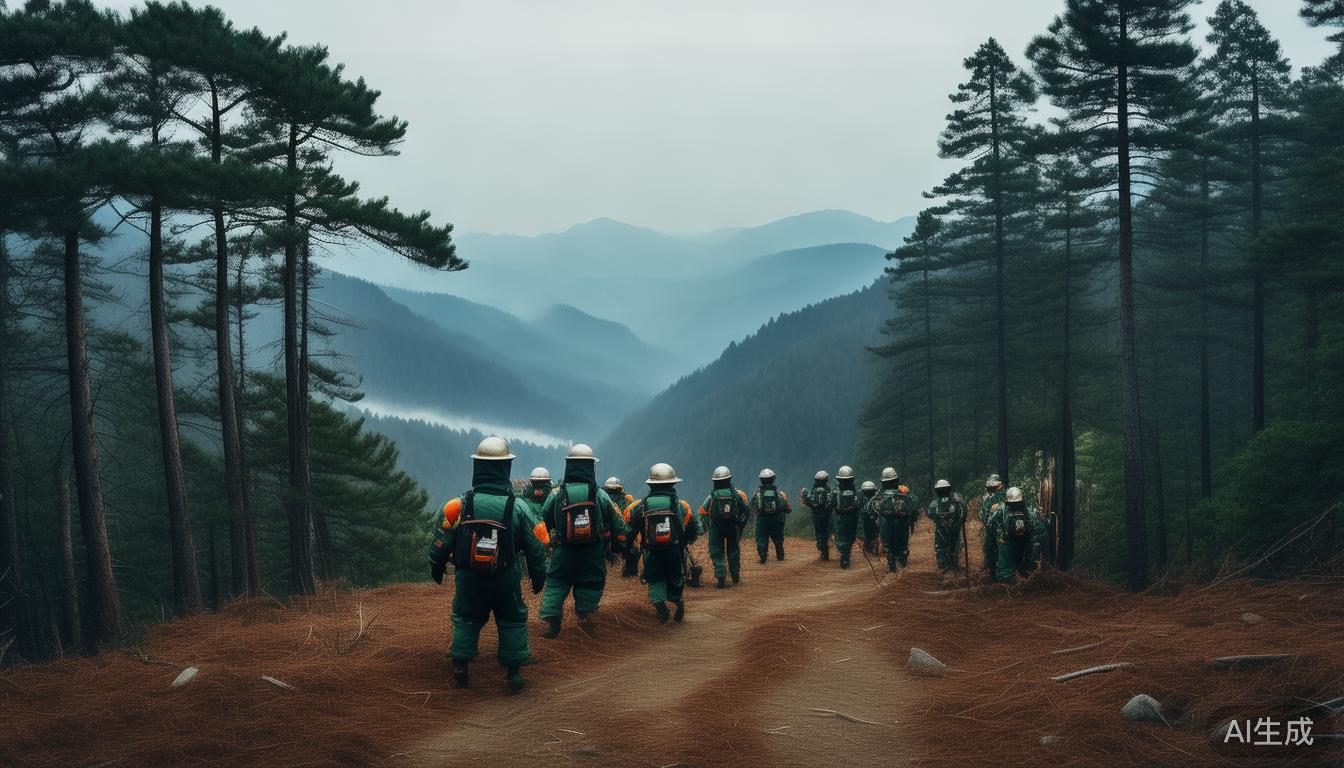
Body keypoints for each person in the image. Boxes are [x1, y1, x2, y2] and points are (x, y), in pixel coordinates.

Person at [428, 436, 549, 693]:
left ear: (478, 467)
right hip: (505, 577)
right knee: (512, 619)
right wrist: (539, 577)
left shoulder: (459, 504)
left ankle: (460, 666)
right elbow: (536, 547)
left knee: (465, 616)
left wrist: (436, 566)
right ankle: (513, 674)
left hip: (469, 577)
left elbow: (441, 537)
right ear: (506, 467)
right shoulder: (518, 508)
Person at [538, 445, 629, 639]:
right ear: (591, 467)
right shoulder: (600, 494)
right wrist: (619, 546)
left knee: (556, 582)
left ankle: (553, 621)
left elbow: (542, 521)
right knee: (590, 583)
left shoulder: (556, 494)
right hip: (592, 552)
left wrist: (545, 545)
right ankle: (584, 616)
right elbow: (617, 523)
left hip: (563, 550)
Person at [625, 463, 702, 622]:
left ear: (651, 485)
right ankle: (677, 601)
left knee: (654, 578)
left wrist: (626, 547)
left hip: (651, 551)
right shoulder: (679, 505)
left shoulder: (642, 505)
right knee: (675, 576)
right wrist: (686, 541)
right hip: (674, 550)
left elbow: (631, 528)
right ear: (673, 483)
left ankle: (660, 606)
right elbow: (693, 526)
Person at [699, 466, 752, 588]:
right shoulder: (735, 495)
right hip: (732, 527)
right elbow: (746, 510)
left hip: (716, 528)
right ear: (729, 479)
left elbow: (702, 511)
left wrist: (704, 527)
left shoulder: (712, 496)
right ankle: (735, 575)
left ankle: (721, 578)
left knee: (717, 551)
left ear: (715, 482)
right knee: (733, 550)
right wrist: (741, 523)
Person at [986, 486, 1038, 584]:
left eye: (1017, 502)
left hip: (1017, 542)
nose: (1015, 505)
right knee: (1007, 565)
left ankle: (1012, 582)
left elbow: (990, 524)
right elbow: (991, 525)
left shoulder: (1025, 510)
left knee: (1013, 564)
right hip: (1008, 542)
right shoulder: (1001, 509)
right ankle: (1006, 584)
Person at [872, 467, 916, 570]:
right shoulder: (904, 491)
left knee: (888, 546)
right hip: (902, 523)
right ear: (896, 480)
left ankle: (893, 563)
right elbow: (914, 506)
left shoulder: (881, 495)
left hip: (888, 524)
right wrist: (910, 519)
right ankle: (902, 562)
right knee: (903, 545)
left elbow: (872, 508)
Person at [925, 479, 967, 573]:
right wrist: (960, 521)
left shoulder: (936, 502)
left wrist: (939, 519)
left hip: (942, 530)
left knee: (942, 548)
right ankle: (952, 566)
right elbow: (964, 510)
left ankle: (947, 567)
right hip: (954, 528)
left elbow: (930, 512)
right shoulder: (956, 499)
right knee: (953, 546)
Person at [751, 468, 791, 564]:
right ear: (773, 479)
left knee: (761, 538)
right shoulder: (779, 494)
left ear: (761, 480)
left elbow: (751, 506)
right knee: (778, 538)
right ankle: (780, 556)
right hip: (776, 520)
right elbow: (788, 508)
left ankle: (763, 557)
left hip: (762, 520)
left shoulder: (757, 494)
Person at [605, 477, 640, 577]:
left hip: (604, 536)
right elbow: (630, 520)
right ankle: (629, 572)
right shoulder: (626, 501)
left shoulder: (601, 499)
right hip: (621, 536)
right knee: (634, 552)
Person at [832, 466, 863, 569]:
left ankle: (844, 555)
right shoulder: (857, 494)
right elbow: (859, 505)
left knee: (841, 536)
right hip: (853, 519)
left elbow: (831, 504)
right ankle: (846, 555)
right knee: (850, 537)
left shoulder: (836, 493)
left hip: (840, 519)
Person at [801, 470, 835, 560]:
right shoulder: (828, 490)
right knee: (826, 532)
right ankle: (826, 549)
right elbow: (833, 502)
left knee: (819, 533)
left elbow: (807, 501)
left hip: (817, 515)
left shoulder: (813, 490)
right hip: (827, 515)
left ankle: (823, 551)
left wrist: (813, 505)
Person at [978, 474, 1006, 575]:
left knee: (1000, 551)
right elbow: (982, 511)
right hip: (988, 529)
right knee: (988, 550)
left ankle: (1001, 574)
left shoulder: (1004, 495)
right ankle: (989, 573)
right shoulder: (987, 496)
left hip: (1000, 530)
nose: (990, 488)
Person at [859, 480, 880, 555]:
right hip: (866, 520)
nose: (868, 493)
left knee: (873, 534)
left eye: (870, 491)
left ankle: (872, 547)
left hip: (873, 520)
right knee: (869, 535)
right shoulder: (862, 499)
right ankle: (869, 547)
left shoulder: (876, 499)